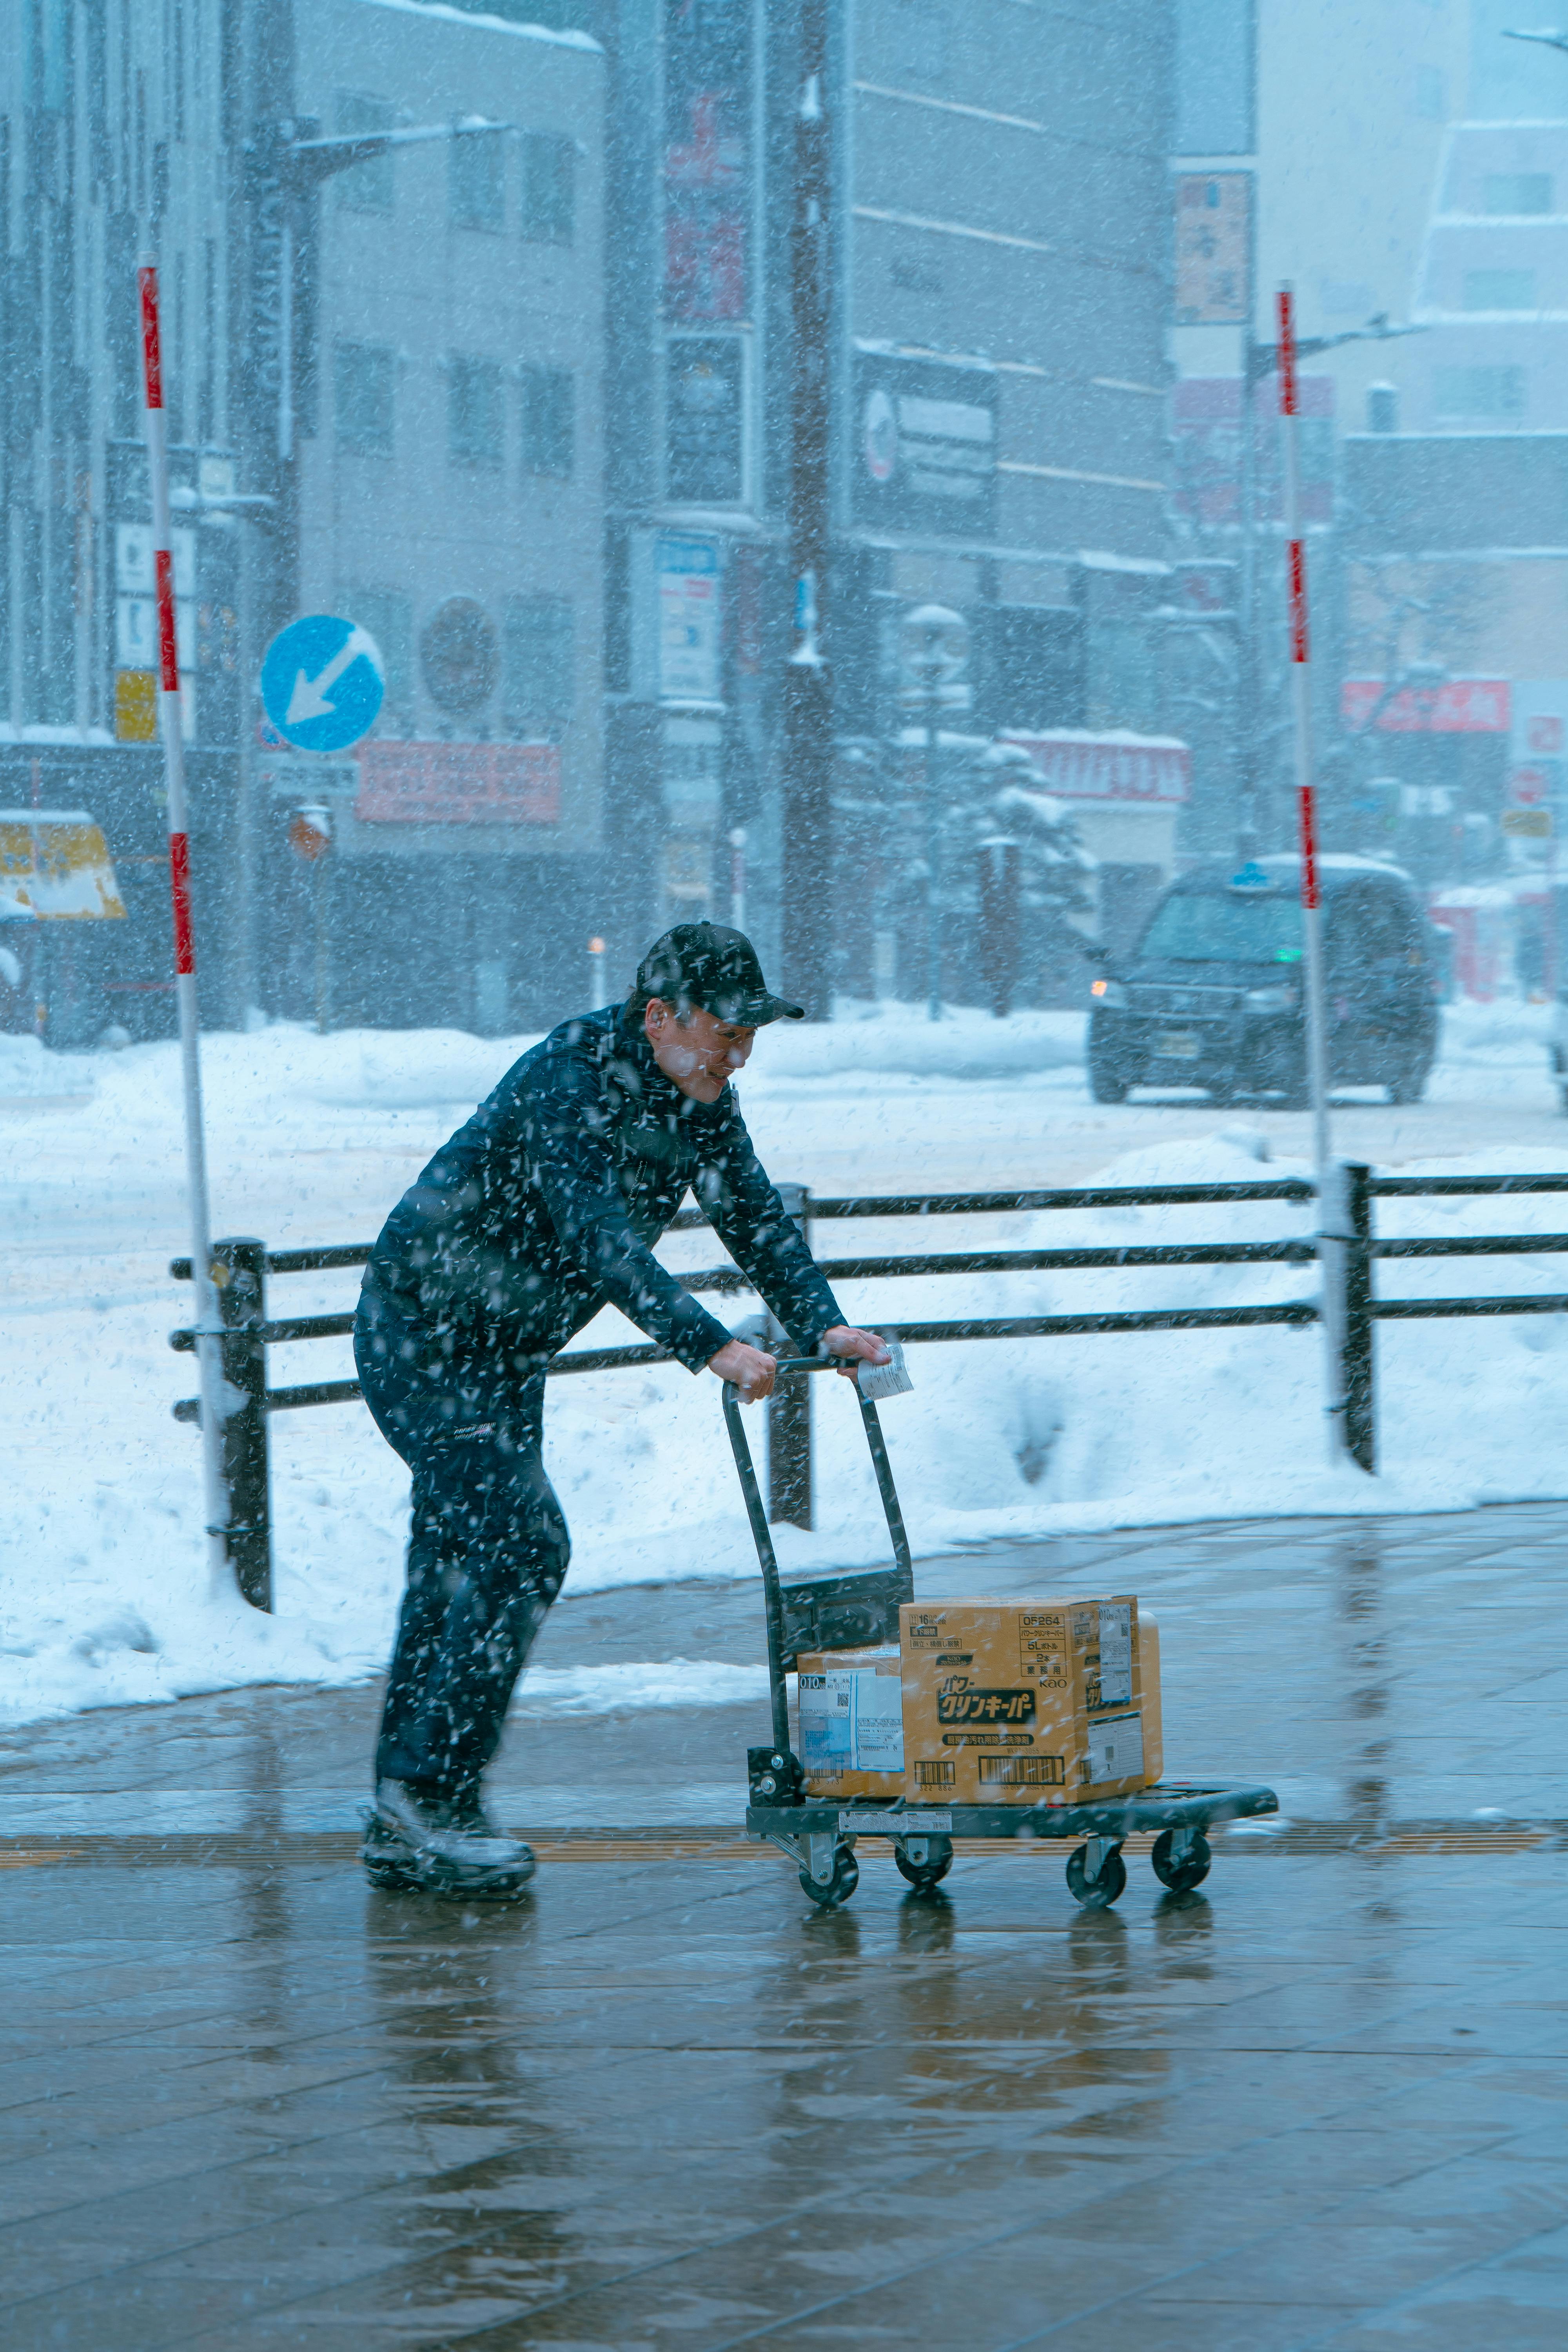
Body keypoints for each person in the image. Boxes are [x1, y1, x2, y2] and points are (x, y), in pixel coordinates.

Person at [354, 923, 889, 1895]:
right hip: (425, 1333)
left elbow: (754, 1216)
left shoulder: (700, 1098)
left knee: (456, 1561)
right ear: (659, 1017)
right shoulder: (571, 1078)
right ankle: (431, 1794)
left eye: (748, 1039)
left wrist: (825, 1325)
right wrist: (708, 1343)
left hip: (505, 1348)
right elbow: (595, 1234)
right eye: (725, 1034)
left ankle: (409, 1803)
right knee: (521, 1544)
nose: (737, 1057)